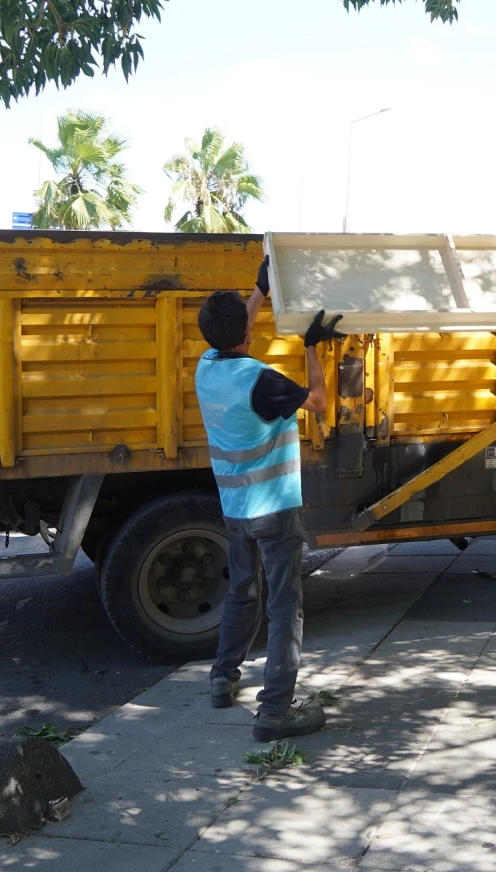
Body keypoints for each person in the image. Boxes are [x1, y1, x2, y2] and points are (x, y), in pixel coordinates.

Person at [196, 255, 345, 740]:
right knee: (285, 606)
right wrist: (311, 348)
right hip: (274, 509)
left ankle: (223, 678)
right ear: (246, 334)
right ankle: (275, 711)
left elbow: (236, 332)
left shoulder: (207, 366)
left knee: (242, 591)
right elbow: (319, 401)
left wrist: (258, 292)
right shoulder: (261, 381)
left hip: (235, 507)